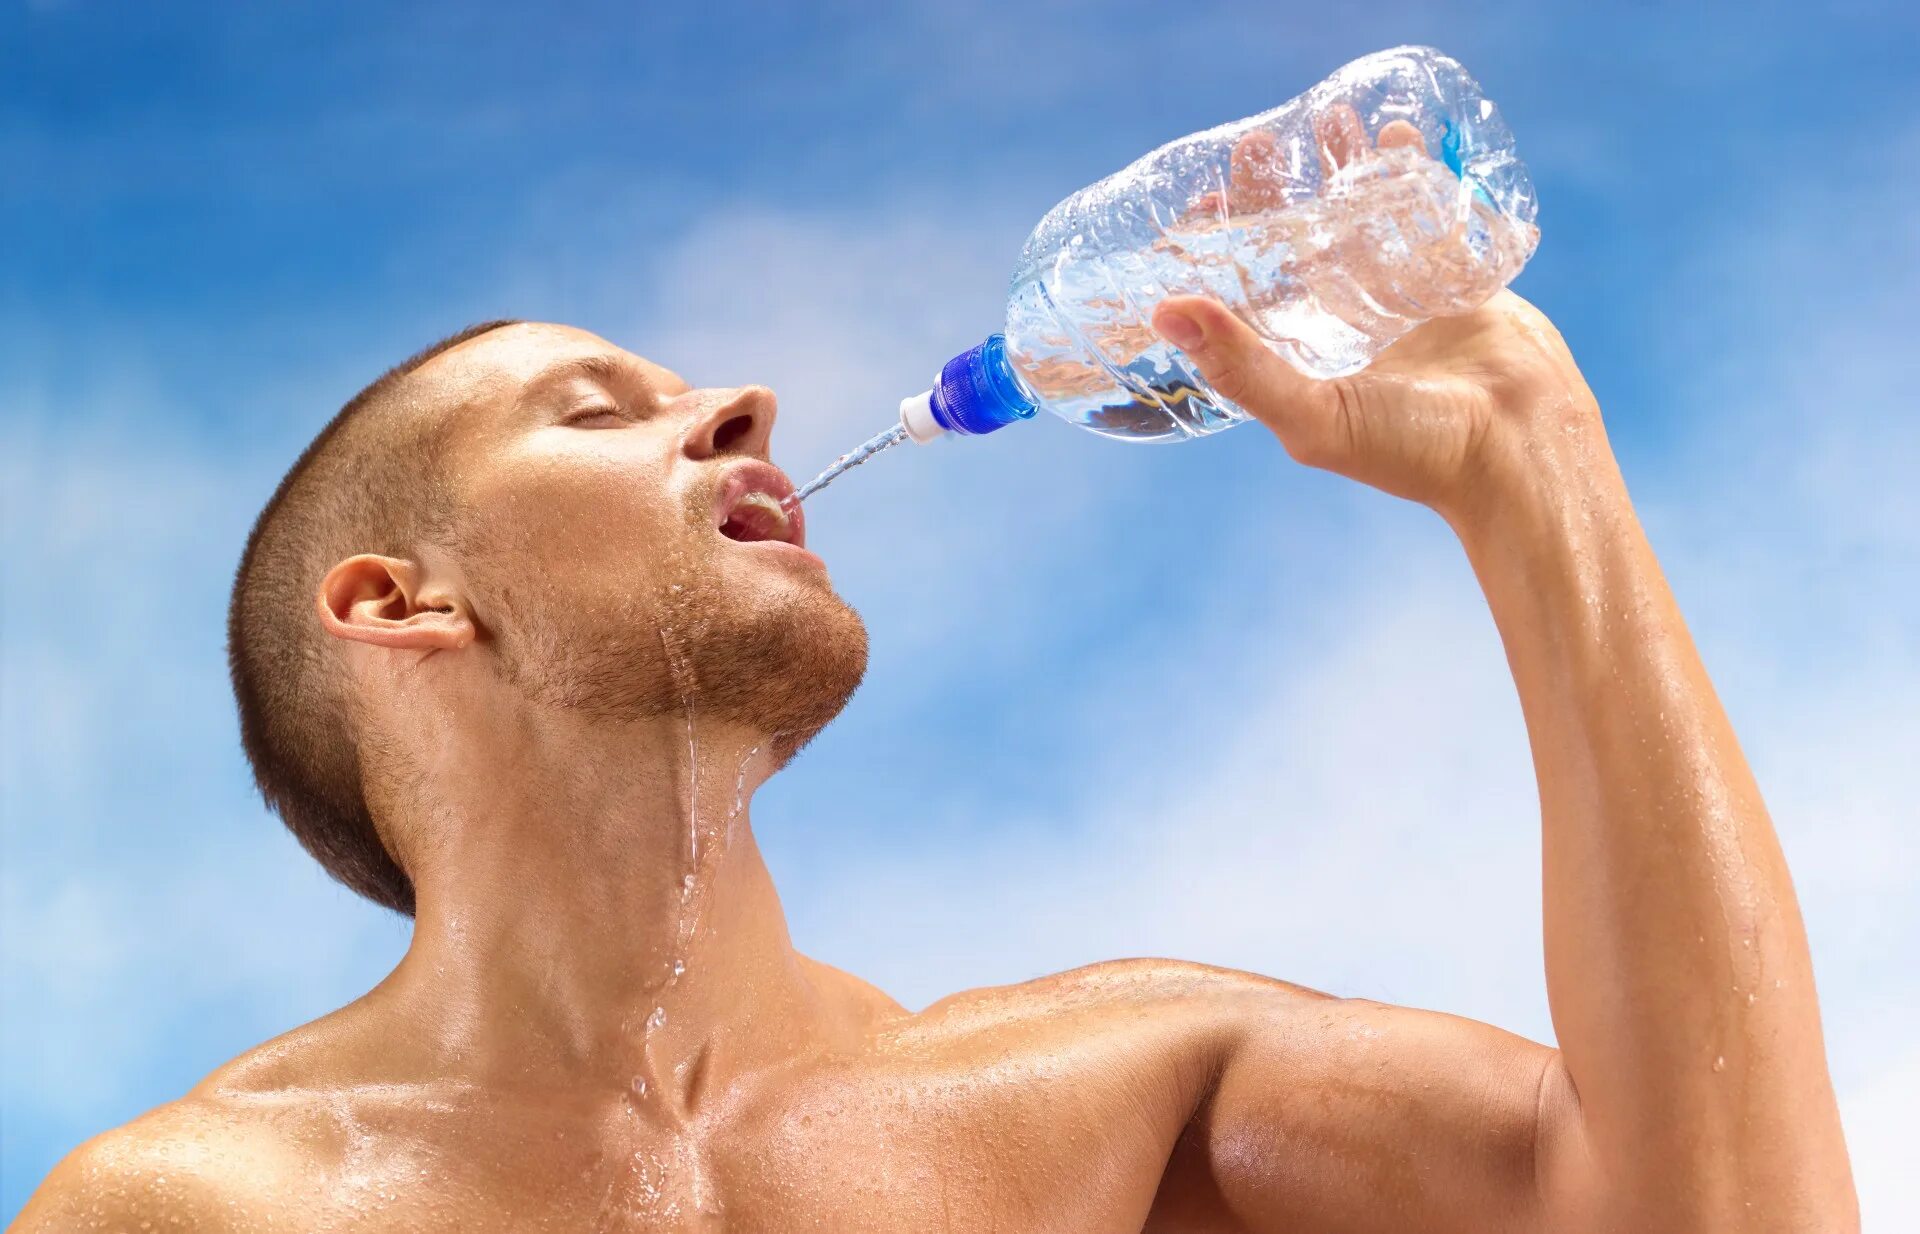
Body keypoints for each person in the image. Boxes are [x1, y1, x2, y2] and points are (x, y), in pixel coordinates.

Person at [17, 135, 1858, 1234]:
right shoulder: (203, 1206)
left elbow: (1728, 1210)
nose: (739, 404)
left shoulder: (1118, 1090)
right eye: (594, 411)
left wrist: (1538, 476)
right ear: (396, 602)